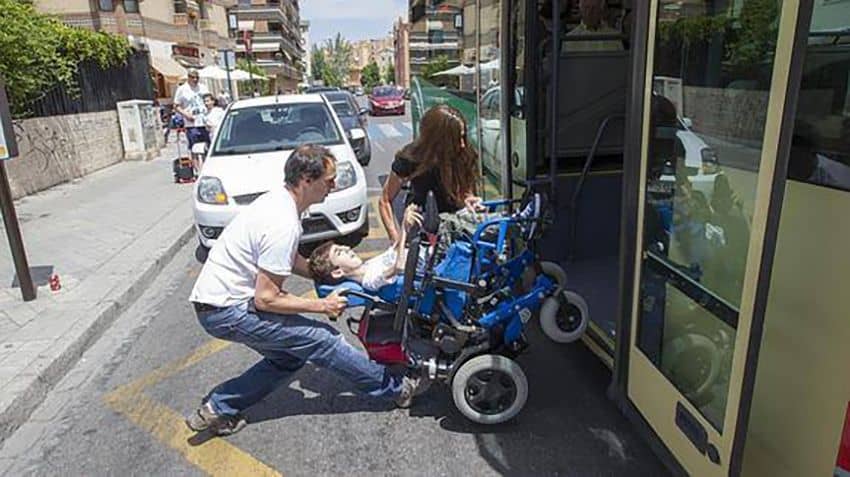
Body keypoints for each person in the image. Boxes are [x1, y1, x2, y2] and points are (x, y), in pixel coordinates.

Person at [186, 145, 422, 437]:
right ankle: (396, 388)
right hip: (228, 310)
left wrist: (322, 271)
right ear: (306, 180)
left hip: (216, 303)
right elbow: (267, 298)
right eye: (329, 179)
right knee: (324, 339)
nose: (334, 185)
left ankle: (217, 409)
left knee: (288, 357)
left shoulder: (279, 203)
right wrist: (322, 306)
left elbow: (287, 259)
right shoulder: (283, 223)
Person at [379, 104, 483, 244]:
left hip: (456, 228)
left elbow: (465, 193)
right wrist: (396, 239)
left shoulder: (463, 155)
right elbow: (385, 200)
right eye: (456, 139)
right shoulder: (410, 159)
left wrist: (470, 200)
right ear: (438, 141)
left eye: (463, 137)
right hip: (423, 227)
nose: (462, 144)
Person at [309, 205, 422, 291]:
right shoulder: (369, 280)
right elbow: (399, 266)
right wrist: (404, 229)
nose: (347, 248)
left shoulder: (367, 266)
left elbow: (395, 251)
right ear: (338, 272)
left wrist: (406, 221)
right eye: (339, 252)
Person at [173, 69, 210, 149]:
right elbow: (176, 106)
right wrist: (185, 114)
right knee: (195, 149)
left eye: (197, 77)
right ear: (188, 77)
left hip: (205, 123)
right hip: (192, 124)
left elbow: (209, 100)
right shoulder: (182, 89)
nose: (195, 79)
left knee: (208, 147)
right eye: (193, 77)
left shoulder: (203, 87)